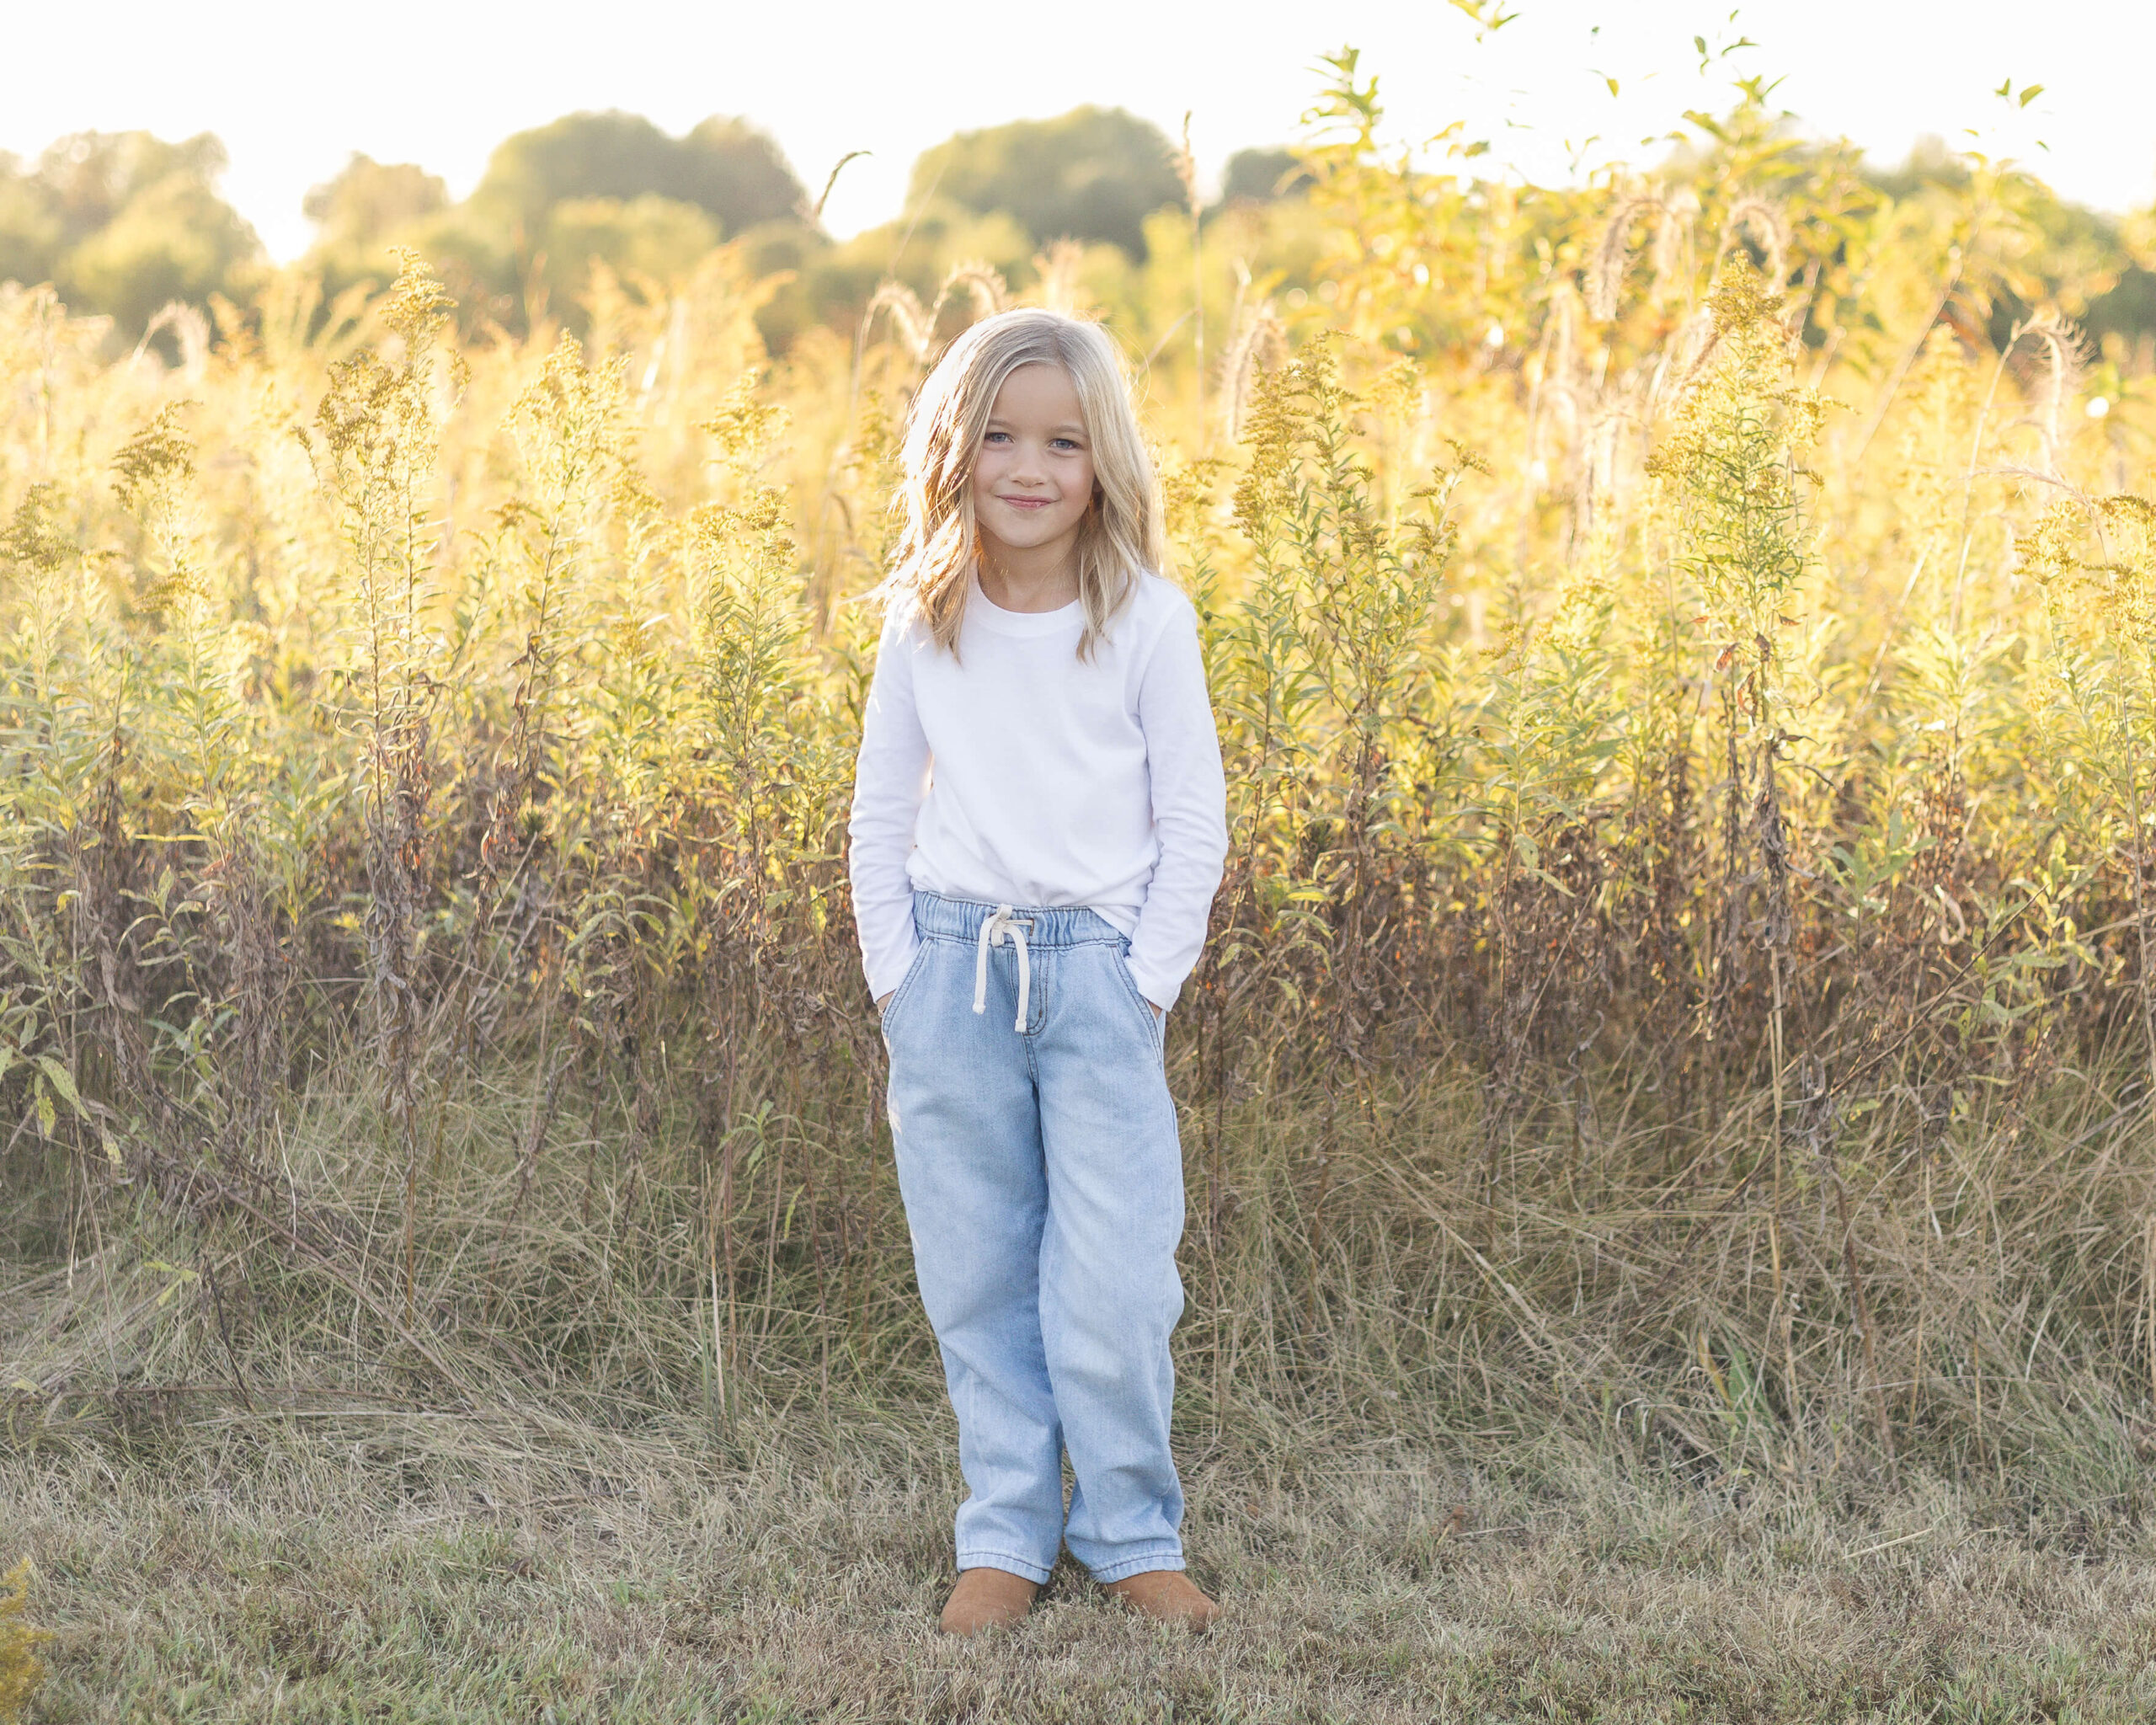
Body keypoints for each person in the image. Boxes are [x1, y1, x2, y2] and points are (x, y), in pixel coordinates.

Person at [846, 307, 1229, 1636]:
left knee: (1117, 1279)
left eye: (1062, 441)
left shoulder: (1144, 619)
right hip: (951, 975)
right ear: (954, 451)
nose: (1030, 466)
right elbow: (879, 811)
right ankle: (1006, 1532)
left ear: (1102, 459)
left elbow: (1194, 821)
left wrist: (1145, 980)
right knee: (978, 1275)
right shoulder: (922, 619)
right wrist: (895, 977)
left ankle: (1132, 1533)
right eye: (1000, 436)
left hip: (1098, 981)